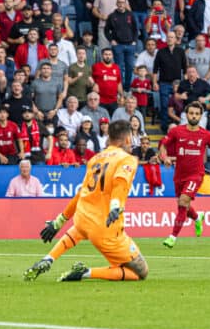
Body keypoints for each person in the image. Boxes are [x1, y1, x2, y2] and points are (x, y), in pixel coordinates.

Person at [23, 120, 149, 282]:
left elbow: (81, 194)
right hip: (105, 227)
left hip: (82, 219)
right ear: (126, 139)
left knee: (78, 231)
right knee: (140, 272)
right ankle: (84, 272)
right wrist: (115, 206)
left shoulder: (95, 159)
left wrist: (59, 222)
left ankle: (49, 258)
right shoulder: (128, 159)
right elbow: (120, 182)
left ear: (109, 138)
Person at [159, 102, 210, 248]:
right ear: (186, 115)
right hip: (179, 175)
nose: (194, 116)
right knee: (184, 205)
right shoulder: (177, 131)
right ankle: (198, 217)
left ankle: (172, 237)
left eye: (197, 114)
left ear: (201, 116)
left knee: (182, 202)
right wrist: (165, 157)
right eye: (191, 113)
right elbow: (163, 145)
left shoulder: (206, 134)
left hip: (196, 175)